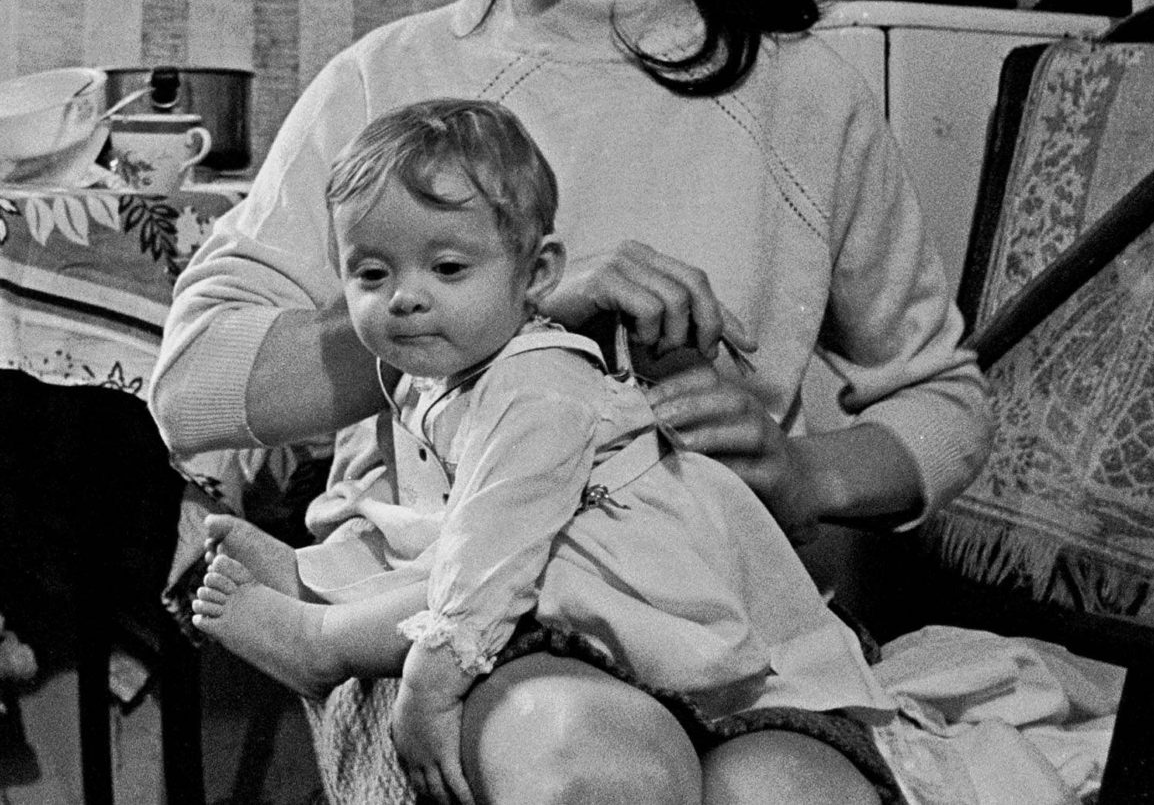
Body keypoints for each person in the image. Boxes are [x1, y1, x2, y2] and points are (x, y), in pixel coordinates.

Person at [149, 0, 991, 805]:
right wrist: (497, 311)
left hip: (712, 613)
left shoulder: (804, 94)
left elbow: (945, 400)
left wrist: (810, 474)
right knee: (594, 767)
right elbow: (192, 385)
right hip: (439, 607)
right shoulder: (394, 80)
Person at [189, 98, 897, 805]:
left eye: (447, 268)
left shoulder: (536, 382)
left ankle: (325, 637)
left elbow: (484, 560)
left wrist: (430, 691)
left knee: (493, 574)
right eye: (372, 275)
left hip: (627, 577)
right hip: (544, 554)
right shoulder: (438, 369)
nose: (405, 298)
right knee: (458, 549)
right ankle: (320, 581)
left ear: (539, 275)